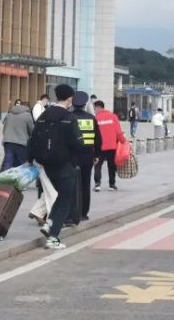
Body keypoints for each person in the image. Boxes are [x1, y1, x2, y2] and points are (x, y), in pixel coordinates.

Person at [29, 83, 85, 250]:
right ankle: (53, 236)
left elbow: (32, 138)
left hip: (45, 164)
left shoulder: (44, 115)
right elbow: (78, 142)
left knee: (59, 196)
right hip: (64, 164)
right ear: (69, 98)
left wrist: (30, 158)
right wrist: (77, 161)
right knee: (65, 199)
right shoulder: (69, 117)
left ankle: (50, 224)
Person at [68, 91, 101, 225]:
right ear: (85, 104)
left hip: (71, 157)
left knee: (71, 185)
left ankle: (72, 212)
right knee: (85, 185)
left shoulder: (68, 117)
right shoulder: (91, 118)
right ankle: (83, 213)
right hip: (88, 157)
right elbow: (98, 139)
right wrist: (97, 155)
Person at [94, 100, 125, 191]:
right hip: (112, 147)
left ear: (97, 107)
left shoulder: (95, 118)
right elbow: (119, 132)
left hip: (99, 147)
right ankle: (112, 184)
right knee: (111, 165)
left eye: (94, 108)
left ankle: (97, 184)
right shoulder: (113, 116)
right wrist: (123, 141)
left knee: (98, 165)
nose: (94, 110)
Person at [1, 98, 34, 170]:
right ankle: (17, 178)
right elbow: (32, 131)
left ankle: (4, 177)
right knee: (21, 163)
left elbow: (4, 129)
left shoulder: (9, 114)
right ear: (28, 108)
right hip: (21, 143)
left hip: (8, 141)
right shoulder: (27, 115)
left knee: (8, 161)